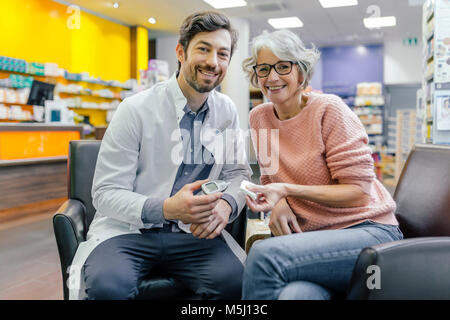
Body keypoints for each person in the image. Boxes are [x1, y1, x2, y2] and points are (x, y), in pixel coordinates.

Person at [68, 11, 251, 300]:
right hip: (128, 232)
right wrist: (167, 208)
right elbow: (105, 193)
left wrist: (227, 204)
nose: (213, 62)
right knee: (108, 288)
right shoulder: (136, 109)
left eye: (222, 53)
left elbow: (238, 174)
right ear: (181, 52)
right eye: (203, 49)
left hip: (193, 234)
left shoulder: (226, 110)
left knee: (237, 284)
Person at [240, 29, 403, 300]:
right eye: (264, 68)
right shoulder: (259, 117)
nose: (272, 77)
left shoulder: (329, 109)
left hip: (367, 232)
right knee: (295, 296)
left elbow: (358, 193)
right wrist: (278, 202)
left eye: (283, 66)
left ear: (301, 74)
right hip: (312, 242)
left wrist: (287, 192)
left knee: (265, 257)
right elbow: (270, 178)